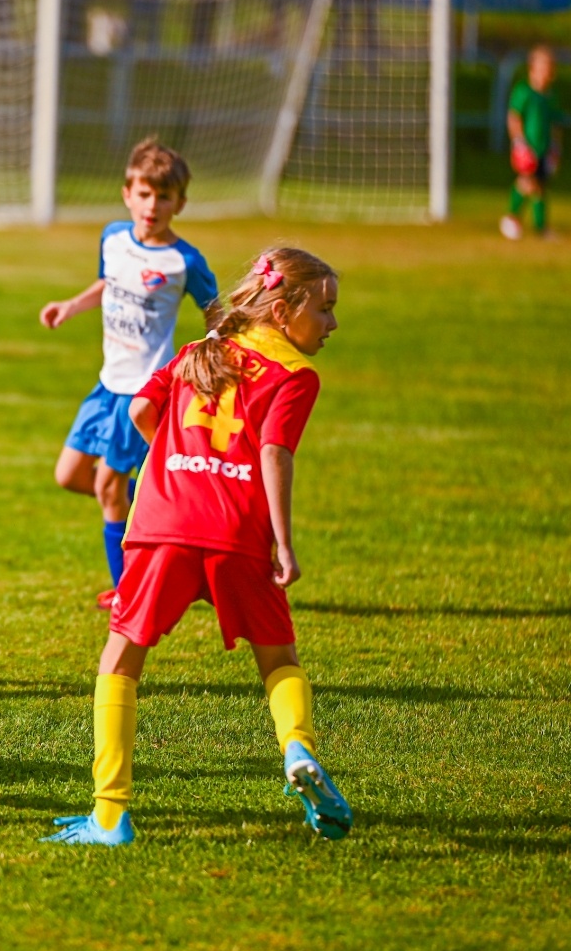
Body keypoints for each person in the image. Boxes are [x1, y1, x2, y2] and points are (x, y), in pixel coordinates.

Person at [44, 247, 352, 847]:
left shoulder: (196, 352)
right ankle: (297, 750)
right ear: (285, 312)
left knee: (120, 663)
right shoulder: (295, 374)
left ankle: (110, 815)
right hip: (237, 532)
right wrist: (284, 544)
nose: (333, 324)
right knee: (279, 660)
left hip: (163, 524)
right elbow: (273, 452)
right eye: (327, 309)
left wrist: (177, 461)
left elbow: (139, 409)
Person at [39, 137, 216, 610]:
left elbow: (216, 313)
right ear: (127, 194)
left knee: (106, 486)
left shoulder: (185, 261)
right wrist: (71, 305)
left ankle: (128, 590)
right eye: (144, 194)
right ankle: (157, 509)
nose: (152, 205)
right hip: (106, 385)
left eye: (163, 196)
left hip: (145, 393)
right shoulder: (114, 237)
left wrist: (208, 357)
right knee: (70, 475)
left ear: (180, 202)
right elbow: (107, 281)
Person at [500, 45, 563, 241]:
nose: (547, 71)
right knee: (528, 182)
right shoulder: (524, 91)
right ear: (532, 68)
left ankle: (538, 227)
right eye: (543, 66)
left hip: (545, 148)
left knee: (540, 186)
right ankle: (512, 219)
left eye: (550, 66)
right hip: (527, 147)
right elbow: (513, 117)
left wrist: (555, 148)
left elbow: (555, 124)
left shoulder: (550, 96)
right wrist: (519, 142)